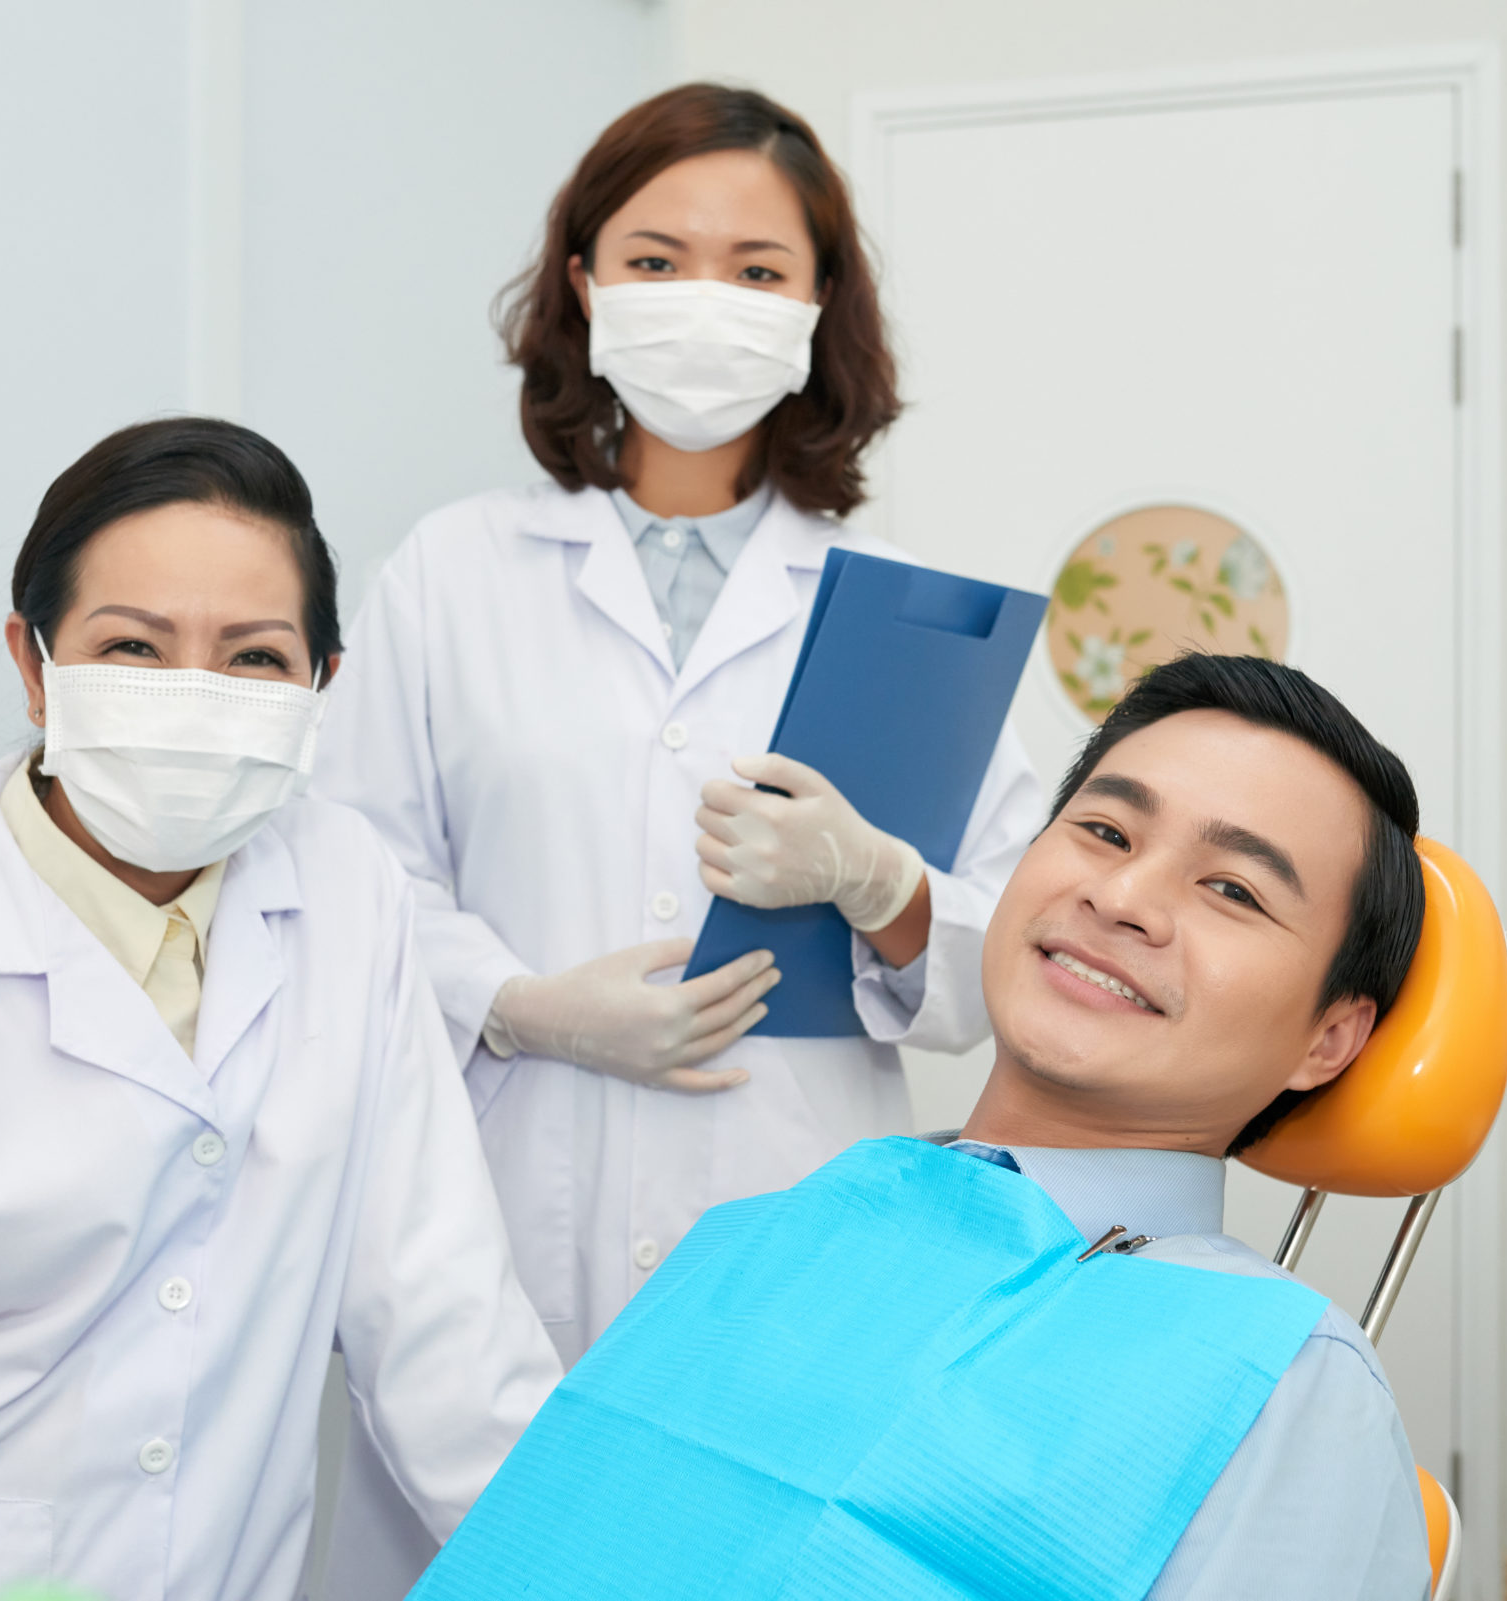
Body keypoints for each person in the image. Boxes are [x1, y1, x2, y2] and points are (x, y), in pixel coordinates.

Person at [0, 419, 561, 1601]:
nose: (193, 695)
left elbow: (449, 1338)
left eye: (255, 658)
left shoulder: (349, 897)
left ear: (322, 686)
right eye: (132, 646)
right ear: (35, 665)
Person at [407, 654, 1436, 1600]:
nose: (1122, 896)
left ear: (1330, 1039)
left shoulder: (1281, 1380)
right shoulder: (756, 1238)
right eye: (1106, 831)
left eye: (1232, 888)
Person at [318, 84, 1040, 1355]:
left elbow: (1010, 963)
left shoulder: (913, 615)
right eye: (658, 260)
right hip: (501, 1206)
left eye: (758, 268)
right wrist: (521, 1002)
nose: (707, 298)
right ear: (588, 282)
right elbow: (349, 877)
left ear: (818, 311)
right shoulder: (452, 570)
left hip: (798, 1220)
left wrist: (883, 885)